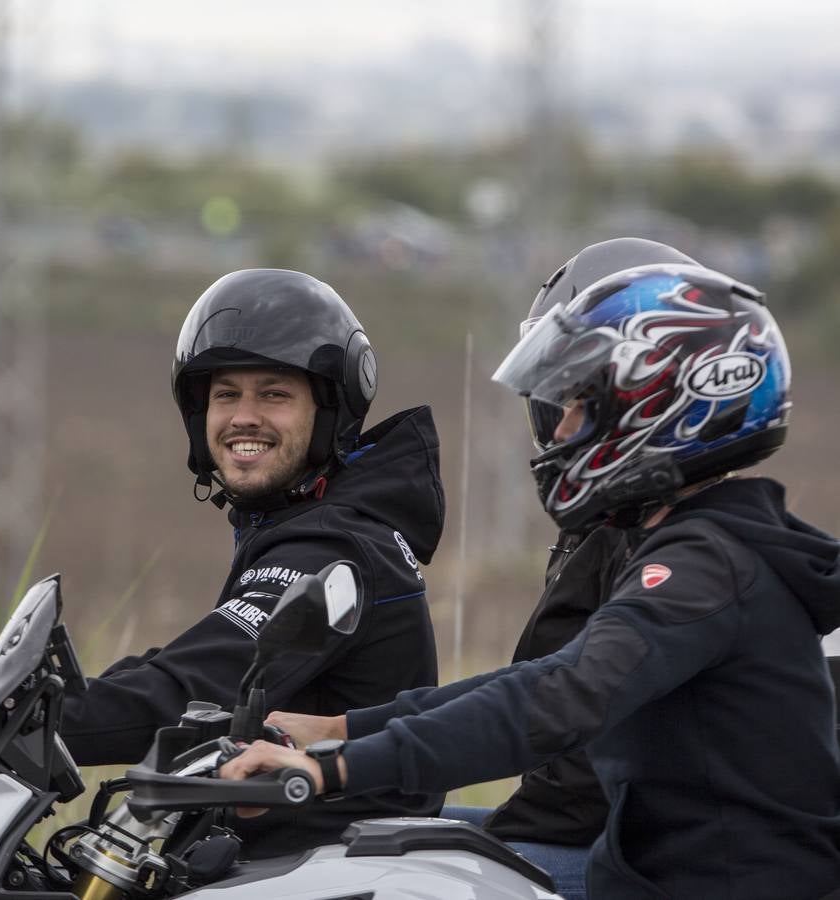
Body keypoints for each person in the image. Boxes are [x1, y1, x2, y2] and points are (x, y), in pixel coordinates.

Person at [221, 262, 840, 897]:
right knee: (366, 856)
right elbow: (540, 678)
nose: (562, 430)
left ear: (663, 406)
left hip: (713, 887)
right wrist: (342, 730)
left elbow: (557, 701)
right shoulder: (696, 544)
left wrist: (332, 771)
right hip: (649, 872)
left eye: (579, 405)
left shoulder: (705, 565)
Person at [0, 268, 447, 857]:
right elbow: (191, 665)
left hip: (336, 863)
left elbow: (186, 691)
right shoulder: (311, 529)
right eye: (225, 394)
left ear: (329, 413)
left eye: (274, 394)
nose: (243, 416)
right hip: (300, 850)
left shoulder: (334, 548)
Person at [440, 238, 705, 900]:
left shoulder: (669, 553)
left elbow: (579, 763)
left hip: (642, 859)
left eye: (577, 398)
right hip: (602, 838)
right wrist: (350, 748)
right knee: (364, 838)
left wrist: (352, 764)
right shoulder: (610, 532)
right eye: (554, 400)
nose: (559, 430)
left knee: (385, 862)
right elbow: (528, 690)